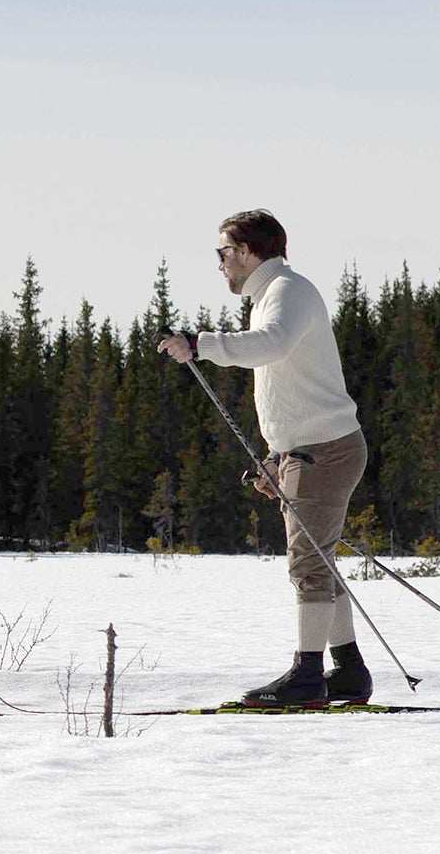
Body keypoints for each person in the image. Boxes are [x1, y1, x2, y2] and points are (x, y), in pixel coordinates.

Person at [154, 208, 369, 709]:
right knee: (320, 562)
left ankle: (308, 676)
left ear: (248, 251)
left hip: (325, 452)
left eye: (224, 252)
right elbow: (288, 386)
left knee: (309, 565)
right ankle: (348, 673)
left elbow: (270, 346)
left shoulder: (288, 291)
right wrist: (277, 458)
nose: (220, 263)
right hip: (308, 452)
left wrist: (199, 344)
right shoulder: (273, 295)